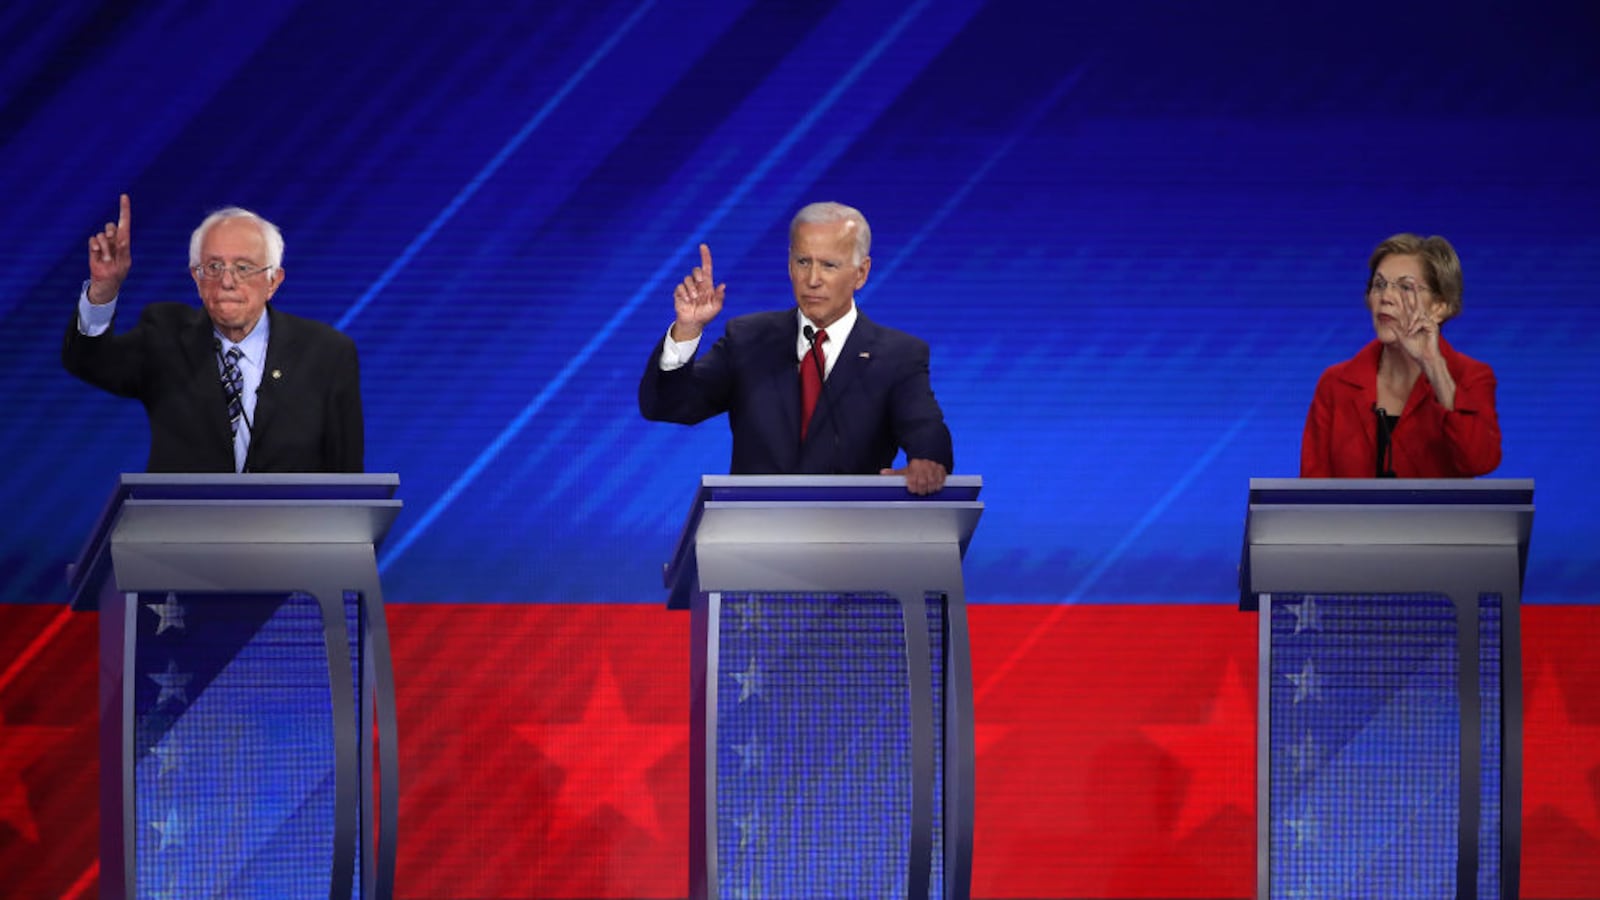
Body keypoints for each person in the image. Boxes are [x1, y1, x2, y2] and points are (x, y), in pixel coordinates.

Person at [639, 201, 953, 494]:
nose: (812, 279)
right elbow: (668, 405)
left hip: (848, 539)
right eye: (803, 262)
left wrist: (927, 461)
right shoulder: (749, 339)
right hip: (753, 541)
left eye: (829, 265)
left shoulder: (897, 355)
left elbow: (925, 428)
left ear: (861, 273)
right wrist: (688, 329)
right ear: (790, 265)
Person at [62, 194, 364, 473]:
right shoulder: (165, 335)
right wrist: (103, 291)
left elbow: (348, 480)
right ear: (197, 276)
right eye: (214, 266)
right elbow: (89, 362)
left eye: (244, 267)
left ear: (273, 281)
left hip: (293, 529)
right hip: (185, 527)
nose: (227, 281)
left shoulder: (327, 353)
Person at [1300, 233, 1500, 478]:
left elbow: (1480, 461)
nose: (1386, 298)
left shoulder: (1471, 377)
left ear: (1439, 307)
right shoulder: (1335, 384)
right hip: (1351, 519)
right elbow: (1312, 493)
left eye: (1405, 287)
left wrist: (1435, 368)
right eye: (1379, 285)